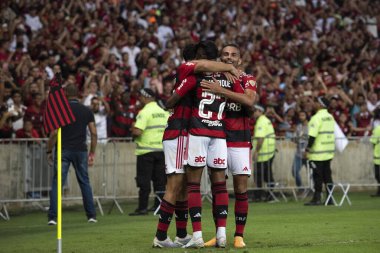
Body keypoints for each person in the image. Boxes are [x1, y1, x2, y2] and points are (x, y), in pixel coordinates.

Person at [153, 43, 240, 248]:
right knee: (175, 185)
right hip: (178, 132)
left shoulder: (198, 77)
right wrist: (229, 67)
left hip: (186, 133)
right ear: (195, 60)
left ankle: (182, 233)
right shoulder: (188, 72)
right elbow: (169, 102)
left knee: (183, 186)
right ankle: (161, 235)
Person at [200, 44, 257, 248]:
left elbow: (249, 102)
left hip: (240, 138)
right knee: (218, 188)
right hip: (217, 137)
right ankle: (219, 234)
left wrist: (221, 91)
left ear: (239, 60)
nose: (229, 57)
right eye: (225, 54)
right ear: (219, 58)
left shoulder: (247, 79)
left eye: (234, 54)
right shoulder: (210, 78)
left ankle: (239, 236)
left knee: (241, 189)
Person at [47, 84, 98, 225]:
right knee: (84, 182)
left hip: (63, 150)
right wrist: (92, 152)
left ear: (64, 94)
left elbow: (53, 133)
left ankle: (53, 217)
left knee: (58, 184)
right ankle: (91, 216)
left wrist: (48, 150)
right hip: (81, 150)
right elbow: (93, 133)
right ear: (78, 94)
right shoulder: (86, 111)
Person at [129, 88, 169, 216]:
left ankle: (142, 208)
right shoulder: (163, 112)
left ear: (145, 97)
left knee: (144, 181)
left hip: (145, 151)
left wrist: (132, 129)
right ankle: (158, 207)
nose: (139, 99)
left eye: (140, 97)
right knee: (160, 181)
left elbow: (138, 131)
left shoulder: (144, 112)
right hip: (161, 151)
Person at [304, 96, 335, 206]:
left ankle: (316, 199)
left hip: (317, 153)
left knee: (317, 176)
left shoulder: (316, 118)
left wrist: (307, 150)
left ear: (321, 105)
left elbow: (312, 136)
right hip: (328, 152)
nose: (314, 103)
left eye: (316, 102)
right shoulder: (330, 117)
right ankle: (330, 199)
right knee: (328, 176)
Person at [252, 105, 276, 202]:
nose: (253, 113)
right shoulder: (265, 120)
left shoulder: (261, 122)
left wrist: (256, 152)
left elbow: (261, 139)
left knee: (259, 176)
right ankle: (268, 195)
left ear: (259, 111)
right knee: (267, 175)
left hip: (264, 154)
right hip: (268, 153)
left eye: (254, 111)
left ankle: (260, 196)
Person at [292, 111, 308, 188]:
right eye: (300, 115)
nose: (301, 117)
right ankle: (300, 188)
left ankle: (314, 189)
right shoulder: (298, 127)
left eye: (303, 115)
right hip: (299, 153)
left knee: (312, 173)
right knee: (294, 171)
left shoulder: (311, 126)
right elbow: (294, 138)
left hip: (309, 154)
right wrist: (296, 139)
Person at [370, 124, 380, 197]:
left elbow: (373, 142)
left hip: (378, 157)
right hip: (378, 157)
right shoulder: (378, 129)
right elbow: (373, 141)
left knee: (378, 175)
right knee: (377, 175)